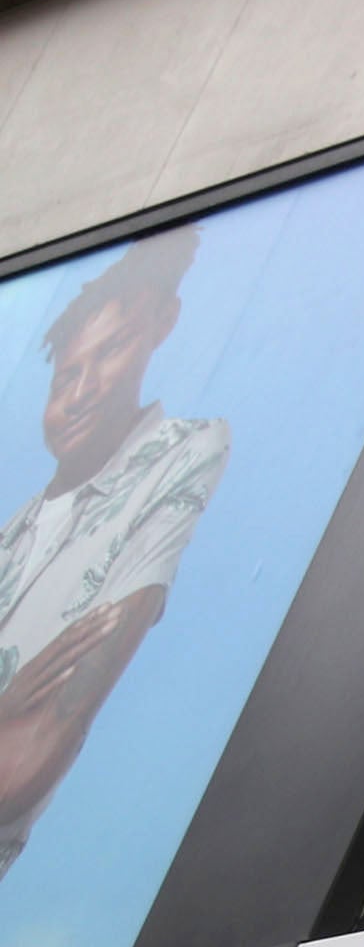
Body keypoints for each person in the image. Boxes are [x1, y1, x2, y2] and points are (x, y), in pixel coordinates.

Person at [0, 230, 226, 882]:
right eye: (66, 373)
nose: (81, 391)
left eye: (111, 352)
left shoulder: (181, 454)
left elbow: (25, 764)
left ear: (161, 326)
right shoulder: (14, 537)